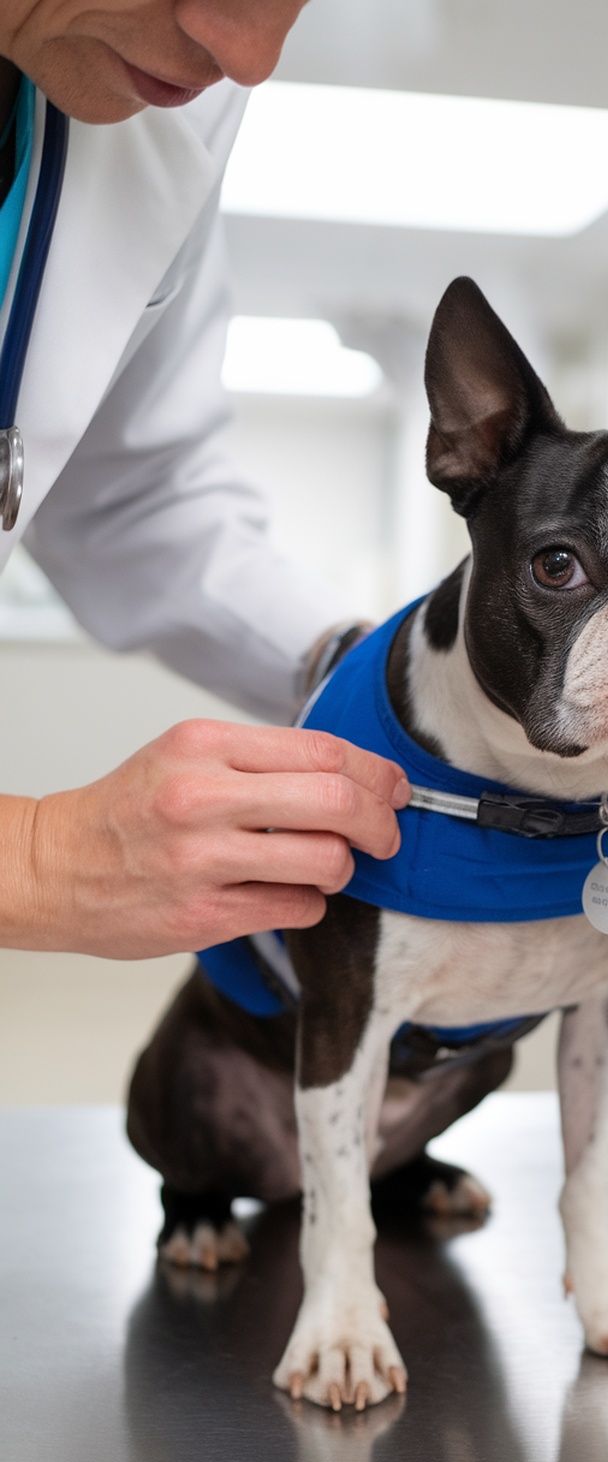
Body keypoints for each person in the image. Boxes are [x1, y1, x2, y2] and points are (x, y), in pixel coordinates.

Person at [0, 0, 411, 962]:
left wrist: (381, 667)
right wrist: (37, 860)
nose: (251, 56)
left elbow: (129, 493)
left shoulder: (156, 96)